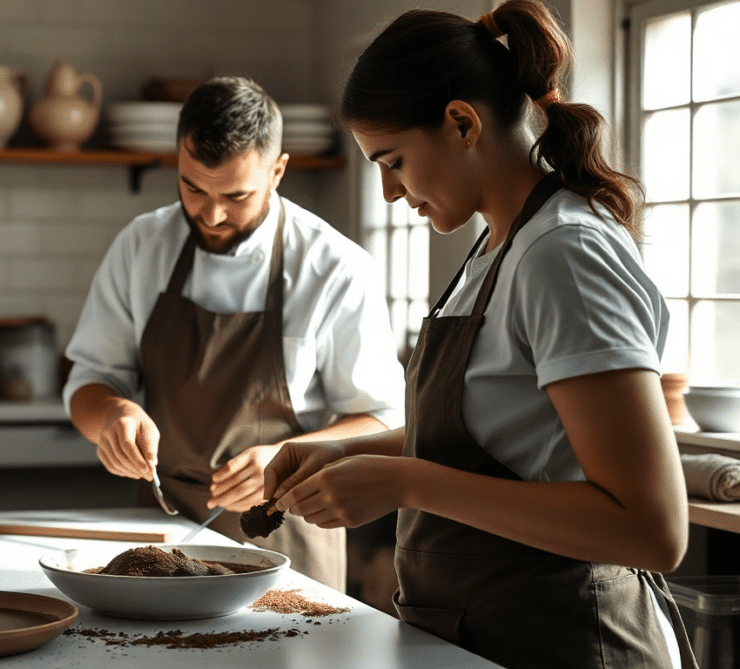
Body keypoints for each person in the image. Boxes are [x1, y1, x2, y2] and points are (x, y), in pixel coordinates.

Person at [263, 1, 698, 667]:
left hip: (575, 642)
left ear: (462, 122)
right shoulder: (494, 250)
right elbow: (496, 436)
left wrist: (405, 481)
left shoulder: (564, 255)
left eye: (393, 160)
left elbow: (651, 529)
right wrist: (345, 454)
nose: (386, 192)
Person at [63, 76, 405, 590]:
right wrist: (111, 415)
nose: (212, 214)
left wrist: (285, 459)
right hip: (162, 532)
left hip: (286, 538)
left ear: (278, 171)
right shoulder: (142, 245)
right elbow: (89, 379)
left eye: (236, 195)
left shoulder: (336, 267)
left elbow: (382, 420)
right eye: (192, 187)